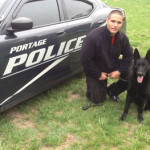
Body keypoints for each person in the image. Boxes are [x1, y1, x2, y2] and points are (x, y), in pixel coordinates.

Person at [80, 9, 133, 104]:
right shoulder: (93, 37)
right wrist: (98, 74)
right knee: (97, 100)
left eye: (119, 22)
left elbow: (129, 56)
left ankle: (113, 90)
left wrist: (119, 70)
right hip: (97, 68)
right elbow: (85, 59)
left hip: (113, 65)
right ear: (107, 20)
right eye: (113, 21)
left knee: (133, 73)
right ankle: (93, 88)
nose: (115, 25)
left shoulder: (123, 38)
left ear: (122, 23)